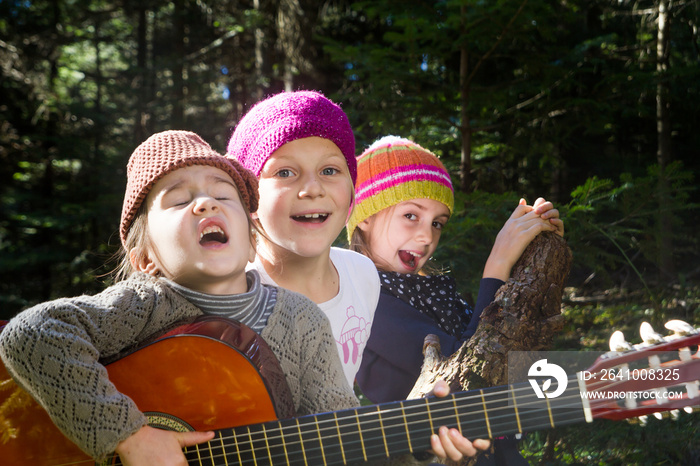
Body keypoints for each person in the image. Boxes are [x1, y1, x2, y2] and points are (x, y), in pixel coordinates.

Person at [0, 130, 487, 465]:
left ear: (249, 229)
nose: (206, 202)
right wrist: (129, 437)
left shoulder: (301, 320)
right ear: (144, 254)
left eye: (223, 193)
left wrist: (418, 443)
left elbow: (340, 437)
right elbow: (31, 333)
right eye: (177, 199)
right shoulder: (148, 302)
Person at [348, 136, 564, 464]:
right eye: (411, 216)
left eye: (437, 223)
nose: (427, 236)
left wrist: (537, 252)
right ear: (365, 215)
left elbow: (510, 353)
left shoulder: (434, 292)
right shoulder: (366, 299)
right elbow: (466, 371)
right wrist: (498, 263)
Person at [226, 90, 380, 387]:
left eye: (329, 170)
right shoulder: (231, 297)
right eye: (285, 172)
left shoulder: (362, 276)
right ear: (247, 194)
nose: (312, 188)